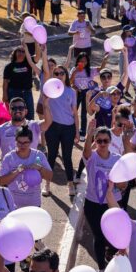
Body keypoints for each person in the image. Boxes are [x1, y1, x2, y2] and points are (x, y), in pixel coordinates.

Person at [82, 126, 126, 272]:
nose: (102, 143)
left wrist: (115, 184)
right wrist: (88, 135)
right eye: (99, 140)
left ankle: (113, 258)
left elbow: (124, 185)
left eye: (105, 141)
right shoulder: (92, 157)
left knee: (114, 236)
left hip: (113, 202)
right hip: (93, 203)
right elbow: (86, 152)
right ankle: (101, 268)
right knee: (99, 236)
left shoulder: (117, 159)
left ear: (110, 141)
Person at [44, 66, 79, 197]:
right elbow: (45, 108)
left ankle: (70, 184)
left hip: (68, 128)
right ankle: (47, 184)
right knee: (51, 156)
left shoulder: (71, 92)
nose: (59, 75)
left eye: (62, 73)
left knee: (67, 157)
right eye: (56, 73)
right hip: (52, 128)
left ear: (66, 75)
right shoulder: (48, 90)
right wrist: (45, 101)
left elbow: (75, 114)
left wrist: (76, 131)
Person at [0, 125, 52, 208]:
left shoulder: (38, 156)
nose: (22, 145)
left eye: (25, 142)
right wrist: (16, 171)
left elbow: (50, 177)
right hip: (13, 205)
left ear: (31, 142)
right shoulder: (9, 158)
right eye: (19, 142)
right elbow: (1, 182)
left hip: (34, 204)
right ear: (15, 141)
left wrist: (40, 168)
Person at [0, 97, 52, 165]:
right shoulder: (1, 130)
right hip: (8, 172)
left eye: (21, 108)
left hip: (29, 171)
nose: (17, 110)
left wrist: (45, 104)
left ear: (26, 111)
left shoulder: (33, 126)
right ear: (9, 111)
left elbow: (48, 122)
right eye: (14, 108)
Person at [3, 43, 47, 120]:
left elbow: (37, 57)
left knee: (29, 115)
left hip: (27, 93)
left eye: (23, 51)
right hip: (14, 92)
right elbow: (5, 82)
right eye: (19, 51)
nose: (21, 53)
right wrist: (5, 95)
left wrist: (36, 42)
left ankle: (28, 131)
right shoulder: (9, 66)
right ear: (15, 53)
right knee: (15, 115)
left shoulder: (29, 63)